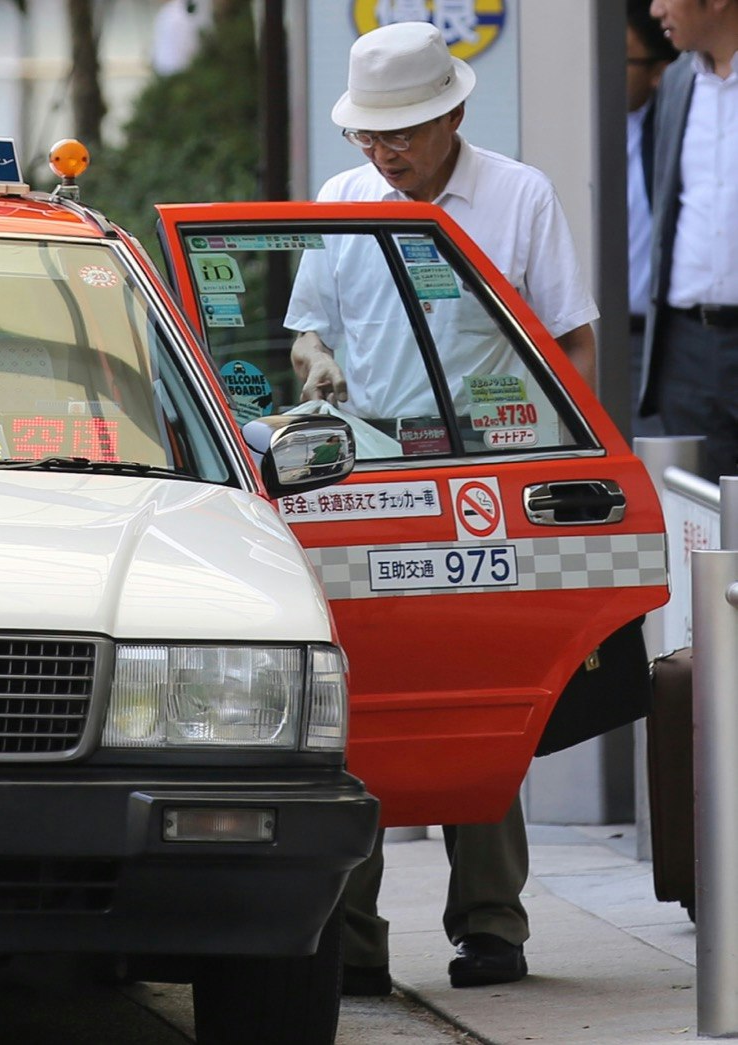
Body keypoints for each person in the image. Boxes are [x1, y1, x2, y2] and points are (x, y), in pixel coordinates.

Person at [285, 21, 600, 997]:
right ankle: (354, 939)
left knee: (480, 703)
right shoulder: (341, 201)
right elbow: (306, 335)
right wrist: (317, 366)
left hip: (486, 488)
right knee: (361, 706)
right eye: (370, 136)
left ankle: (492, 926)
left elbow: (573, 345)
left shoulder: (518, 196)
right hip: (367, 482)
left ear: (453, 115)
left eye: (403, 134)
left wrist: (552, 455)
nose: (383, 152)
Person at [638, 0, 738, 480]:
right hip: (688, 344)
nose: (655, 10)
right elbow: (664, 198)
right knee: (703, 518)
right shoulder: (678, 81)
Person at [626, 1, 677, 435]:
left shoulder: (669, 132)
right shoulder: (569, 132)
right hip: (588, 337)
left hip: (658, 338)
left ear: (658, 69)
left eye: (624, 60)